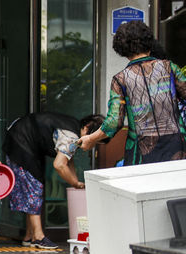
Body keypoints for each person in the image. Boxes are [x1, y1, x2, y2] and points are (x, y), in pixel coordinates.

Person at [78, 21, 186, 164]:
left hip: (141, 150)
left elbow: (114, 122)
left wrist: (91, 139)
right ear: (149, 42)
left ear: (121, 48)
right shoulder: (170, 68)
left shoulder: (120, 79)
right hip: (177, 146)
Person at [3, 112, 105, 249]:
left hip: (20, 138)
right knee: (34, 188)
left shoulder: (74, 128)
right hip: (21, 141)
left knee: (33, 187)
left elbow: (68, 159)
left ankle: (29, 236)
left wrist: (75, 182)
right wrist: (75, 183)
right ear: (87, 128)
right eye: (94, 141)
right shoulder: (71, 136)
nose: (93, 147)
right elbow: (59, 165)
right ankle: (38, 237)